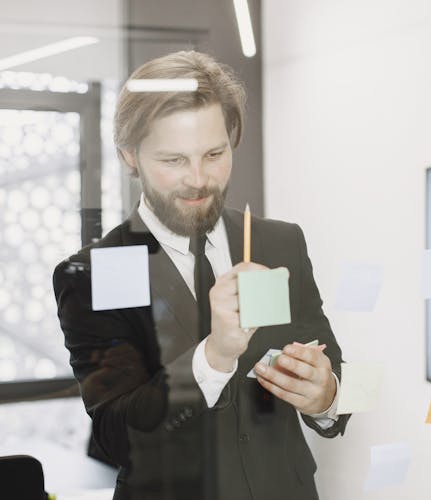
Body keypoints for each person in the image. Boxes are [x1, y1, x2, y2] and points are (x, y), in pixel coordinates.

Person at [53, 50, 350, 500]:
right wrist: (212, 356)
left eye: (215, 153)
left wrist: (326, 396)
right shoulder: (95, 272)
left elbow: (332, 375)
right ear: (129, 156)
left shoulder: (280, 242)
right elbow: (117, 437)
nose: (198, 179)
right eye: (173, 160)